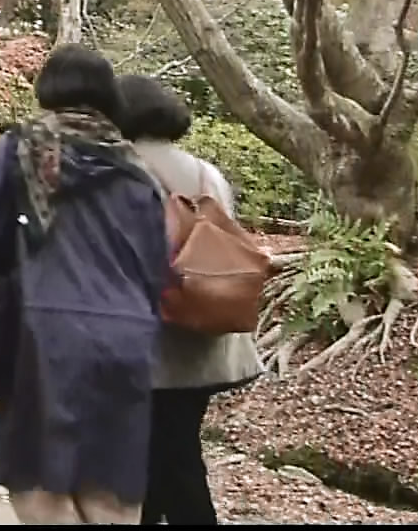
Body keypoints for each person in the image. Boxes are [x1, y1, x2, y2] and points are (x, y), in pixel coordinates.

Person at [0, 45, 170, 525]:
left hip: (44, 335)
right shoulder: (138, 173)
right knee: (112, 499)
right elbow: (158, 270)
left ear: (46, 90)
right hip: (128, 340)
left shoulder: (15, 151)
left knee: (39, 489)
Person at [114, 75, 264, 526]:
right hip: (207, 332)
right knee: (168, 450)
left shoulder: (118, 175)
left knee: (168, 459)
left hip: (150, 343)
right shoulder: (206, 173)